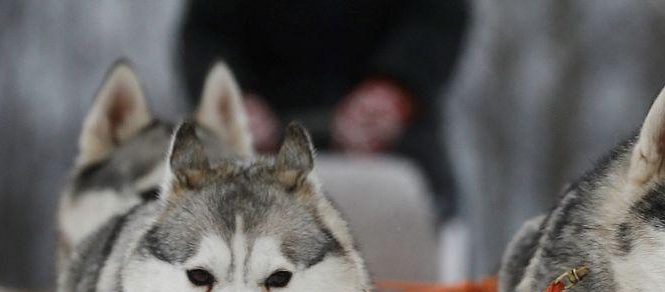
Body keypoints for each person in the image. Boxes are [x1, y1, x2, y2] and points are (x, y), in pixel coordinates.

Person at [179, 0, 469, 219]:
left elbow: (436, 18)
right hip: (257, 161)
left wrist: (396, 89)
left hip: (397, 163)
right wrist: (233, 101)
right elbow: (206, 34)